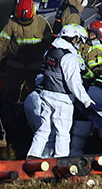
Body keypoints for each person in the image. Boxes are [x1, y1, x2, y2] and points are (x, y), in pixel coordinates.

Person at [27, 23, 95, 158]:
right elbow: (73, 83)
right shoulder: (69, 57)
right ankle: (61, 160)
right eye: (79, 40)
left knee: (43, 130)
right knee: (62, 133)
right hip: (62, 100)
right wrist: (86, 100)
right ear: (74, 38)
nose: (78, 44)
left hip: (46, 95)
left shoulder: (50, 52)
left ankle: (32, 156)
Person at [0, 0, 52, 73]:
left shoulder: (42, 23)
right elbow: (2, 42)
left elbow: (49, 44)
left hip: (34, 65)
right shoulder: (12, 23)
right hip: (15, 64)